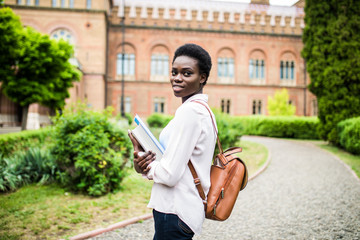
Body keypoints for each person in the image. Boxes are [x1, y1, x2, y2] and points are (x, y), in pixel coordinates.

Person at [128, 43, 217, 240]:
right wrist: (144, 162)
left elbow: (169, 175)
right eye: (174, 72)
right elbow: (177, 162)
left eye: (187, 73)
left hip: (175, 212)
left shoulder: (190, 111)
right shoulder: (204, 111)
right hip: (182, 211)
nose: (177, 78)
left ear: (202, 78)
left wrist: (145, 164)